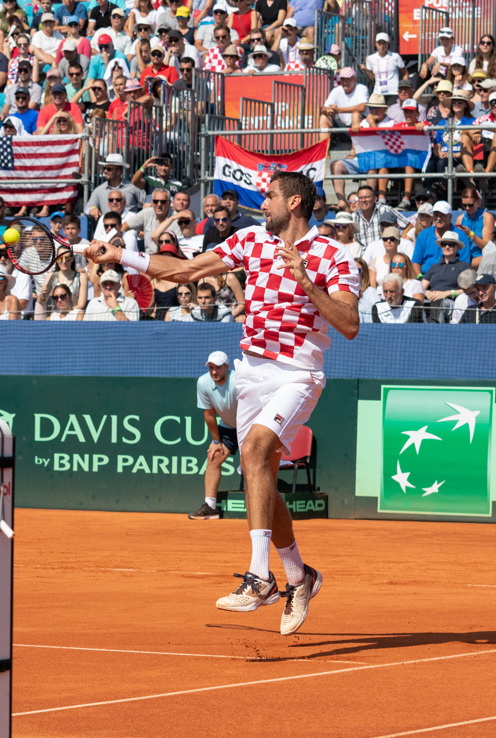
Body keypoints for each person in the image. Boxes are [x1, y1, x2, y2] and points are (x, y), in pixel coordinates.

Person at [84, 170, 359, 636]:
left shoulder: (334, 254)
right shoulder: (251, 240)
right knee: (259, 477)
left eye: (269, 196)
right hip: (251, 372)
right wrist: (121, 256)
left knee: (253, 451)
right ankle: (299, 576)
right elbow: (186, 270)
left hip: (297, 373)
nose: (262, 204)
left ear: (294, 203)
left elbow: (349, 324)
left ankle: (260, 577)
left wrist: (308, 283)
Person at [188, 350, 239, 520]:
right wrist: (216, 441)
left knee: (253, 464)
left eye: (218, 367)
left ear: (227, 367)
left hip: (249, 426)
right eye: (211, 368)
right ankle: (210, 507)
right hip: (228, 426)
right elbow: (209, 414)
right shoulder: (203, 382)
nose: (214, 372)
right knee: (214, 457)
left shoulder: (238, 381)